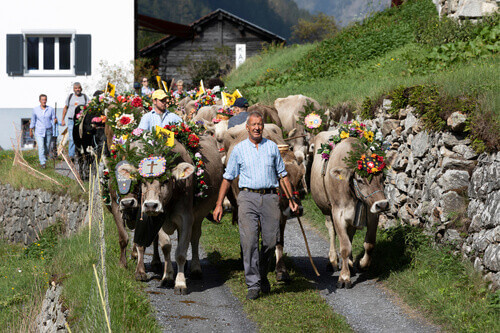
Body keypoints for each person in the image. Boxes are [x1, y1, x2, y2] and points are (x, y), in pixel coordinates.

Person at [213, 111, 298, 300]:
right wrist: (219, 204)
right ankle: (253, 283)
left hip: (269, 198)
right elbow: (227, 178)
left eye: (260, 124)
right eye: (254, 125)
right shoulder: (239, 150)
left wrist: (291, 199)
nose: (257, 128)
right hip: (247, 197)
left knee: (269, 242)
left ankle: (261, 273)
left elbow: (282, 174)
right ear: (248, 127)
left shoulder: (272, 148)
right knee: (249, 241)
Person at [61, 82, 89, 161]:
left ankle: (82, 154)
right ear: (73, 89)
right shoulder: (70, 97)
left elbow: (89, 106)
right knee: (72, 138)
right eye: (76, 88)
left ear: (81, 89)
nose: (77, 89)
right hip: (71, 121)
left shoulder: (85, 97)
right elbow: (65, 108)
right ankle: (71, 156)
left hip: (82, 121)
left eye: (79, 88)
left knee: (83, 137)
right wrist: (63, 119)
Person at [30, 94, 57, 168]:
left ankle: (45, 158)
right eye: (42, 100)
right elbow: (33, 120)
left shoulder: (51, 109)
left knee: (47, 147)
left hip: (48, 130)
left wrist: (55, 120)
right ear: (39, 101)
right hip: (39, 131)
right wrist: (30, 130)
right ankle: (43, 163)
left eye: (45, 99)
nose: (44, 101)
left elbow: (53, 118)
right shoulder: (35, 110)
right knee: (41, 146)